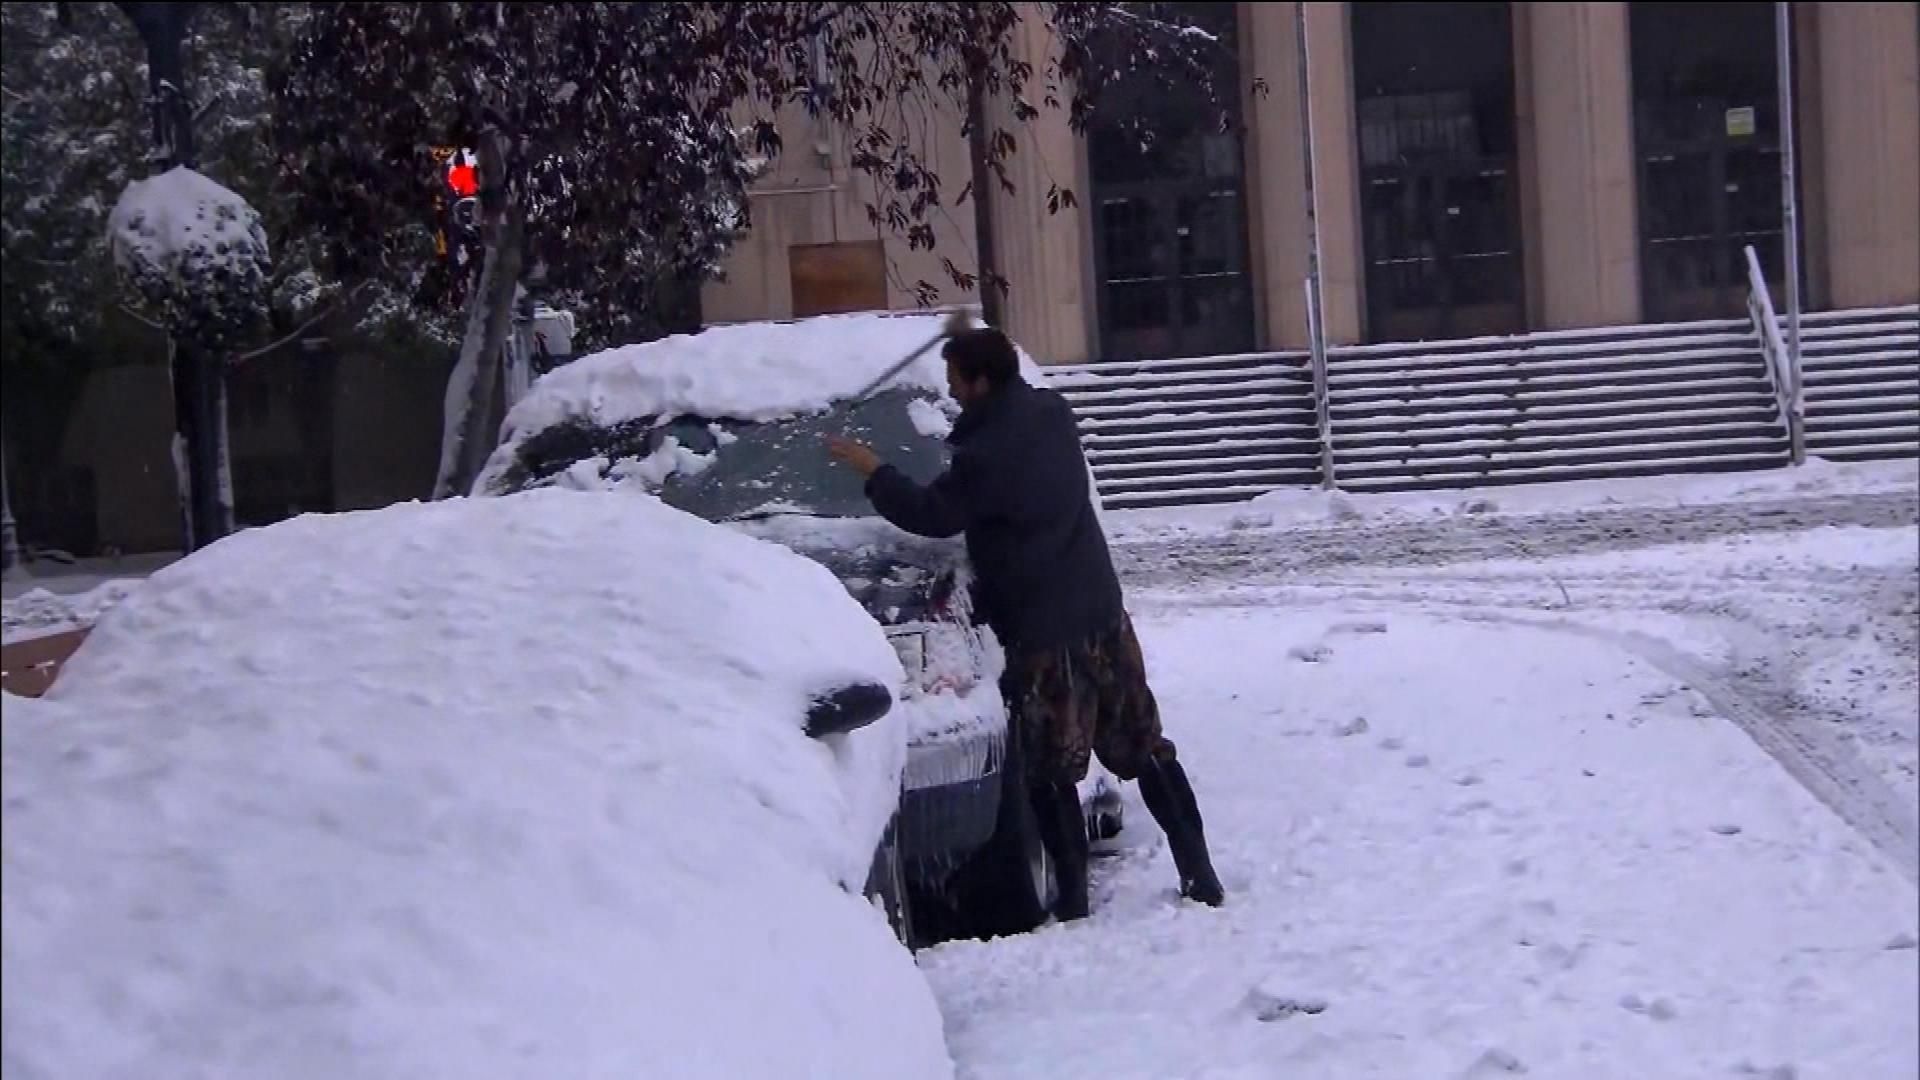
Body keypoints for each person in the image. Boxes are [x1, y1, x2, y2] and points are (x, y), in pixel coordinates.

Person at [826, 327, 1224, 919]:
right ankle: (1201, 875)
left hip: (1043, 629)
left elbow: (934, 514)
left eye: (957, 378)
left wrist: (874, 469)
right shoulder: (1050, 412)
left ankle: (1071, 900)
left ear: (981, 381)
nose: (953, 391)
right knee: (1143, 743)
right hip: (1101, 612)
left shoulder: (986, 456)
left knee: (1050, 766)